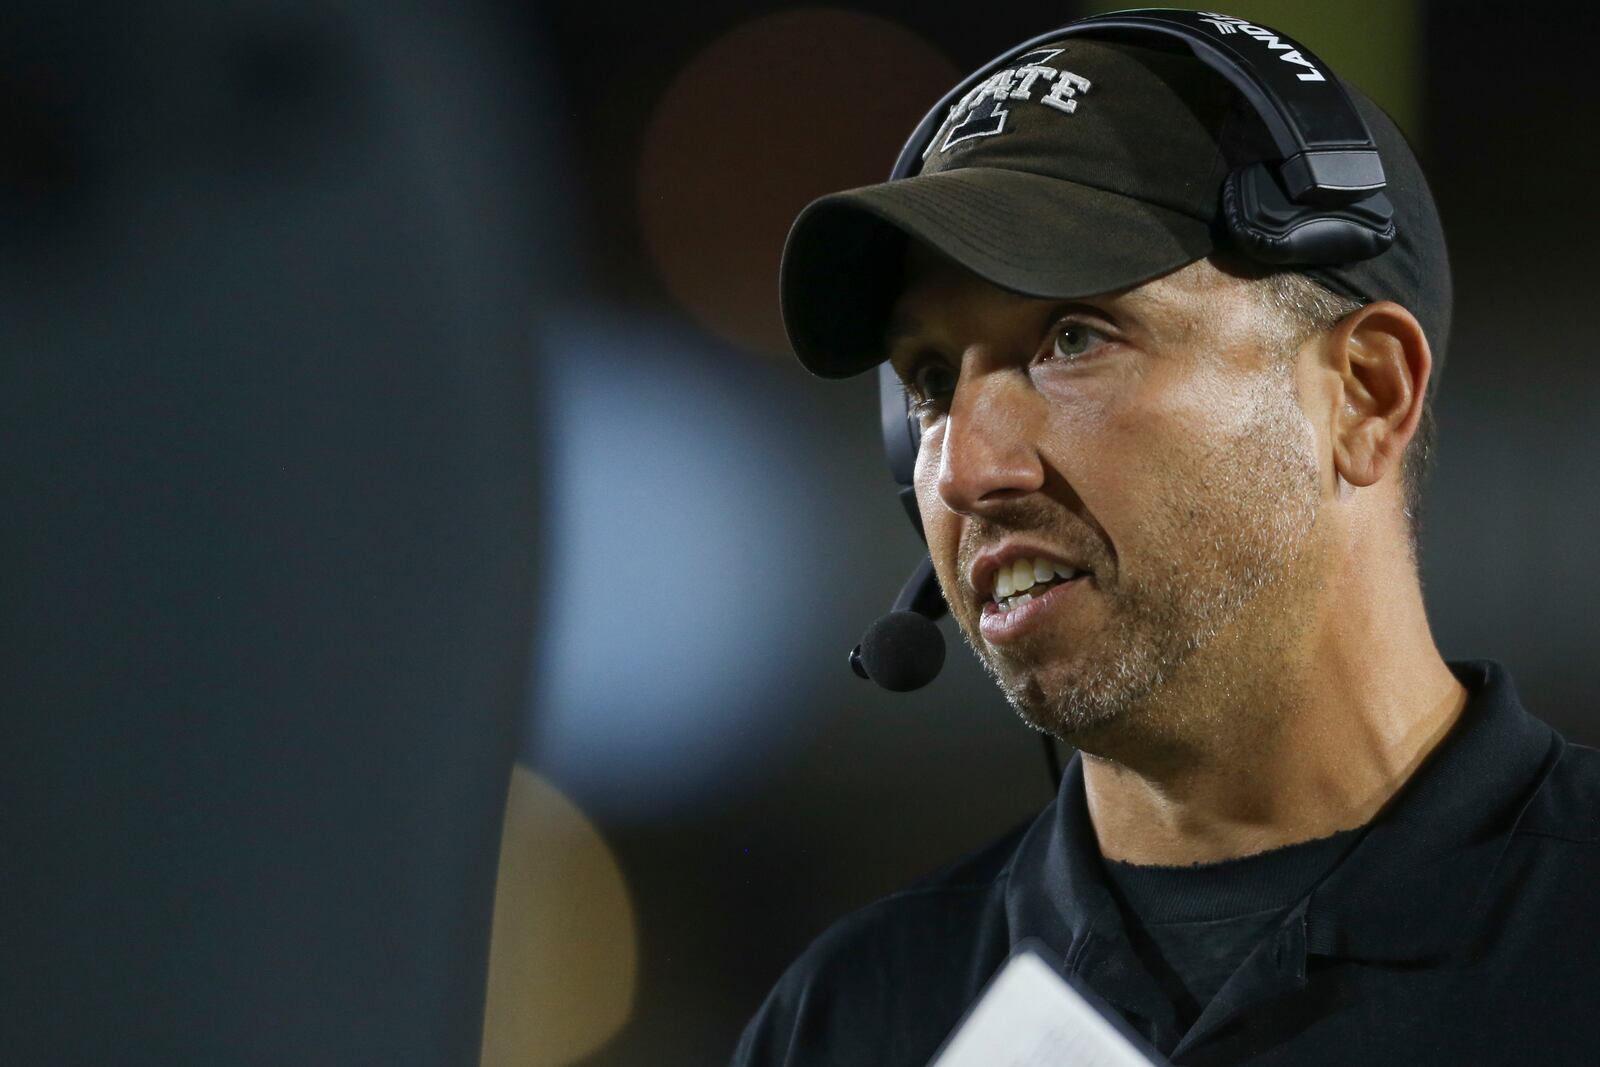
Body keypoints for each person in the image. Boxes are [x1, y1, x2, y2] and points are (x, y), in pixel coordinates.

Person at [731, 18, 1600, 1067]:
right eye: (927, 383)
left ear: (1365, 395)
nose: (966, 468)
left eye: (1073, 339)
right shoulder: (852, 1016)